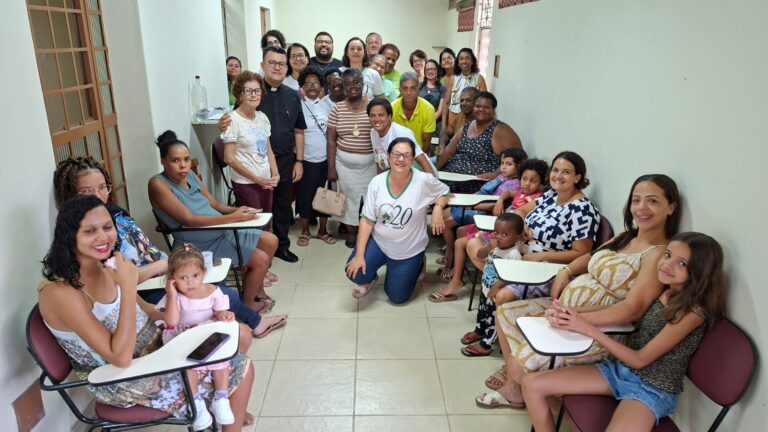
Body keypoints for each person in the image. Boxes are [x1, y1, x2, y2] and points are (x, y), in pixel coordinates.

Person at [39, 196, 254, 430]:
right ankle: (227, 406)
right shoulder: (60, 292)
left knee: (236, 335)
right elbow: (120, 358)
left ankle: (227, 407)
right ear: (70, 235)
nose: (103, 237)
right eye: (90, 231)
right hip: (121, 376)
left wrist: (183, 314)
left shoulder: (104, 267)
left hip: (157, 348)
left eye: (107, 227)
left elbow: (147, 310)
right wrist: (128, 286)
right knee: (241, 368)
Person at [478, 174, 681, 408]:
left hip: (597, 328)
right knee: (504, 313)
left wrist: (576, 318)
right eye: (636, 200)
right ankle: (518, 383)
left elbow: (632, 310)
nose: (641, 207)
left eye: (652, 201)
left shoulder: (659, 254)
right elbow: (589, 257)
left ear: (671, 207)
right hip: (566, 311)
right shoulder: (626, 237)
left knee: (519, 359)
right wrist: (566, 271)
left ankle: (518, 384)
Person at [52, 157, 285, 338]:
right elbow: (118, 280)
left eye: (103, 187)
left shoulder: (115, 213)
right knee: (221, 292)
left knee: (213, 281)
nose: (98, 195)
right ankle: (253, 324)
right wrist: (162, 265)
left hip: (165, 268)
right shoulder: (87, 241)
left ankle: (230, 326)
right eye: (87, 191)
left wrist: (171, 262)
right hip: (147, 285)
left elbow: (144, 247)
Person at [520, 232, 725, 431]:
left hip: (651, 389)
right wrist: (572, 312)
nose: (667, 265)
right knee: (532, 384)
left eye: (682, 263)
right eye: (667, 255)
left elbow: (640, 359)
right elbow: (620, 308)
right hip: (620, 371)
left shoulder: (693, 313)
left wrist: (588, 328)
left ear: (700, 272)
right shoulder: (665, 289)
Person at [149, 131, 278, 314]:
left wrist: (240, 210)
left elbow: (215, 205)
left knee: (271, 240)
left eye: (186, 159)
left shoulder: (190, 175)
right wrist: (234, 218)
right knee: (261, 259)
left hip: (221, 229)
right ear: (163, 161)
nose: (183, 165)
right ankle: (248, 304)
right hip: (197, 242)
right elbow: (189, 220)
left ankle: (257, 289)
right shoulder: (158, 184)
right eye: (175, 160)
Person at [345, 137, 450, 303]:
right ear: (388, 156)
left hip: (409, 249)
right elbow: (366, 221)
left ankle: (418, 263)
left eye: (407, 155)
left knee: (397, 297)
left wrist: (438, 207)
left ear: (413, 159)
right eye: (397, 154)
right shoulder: (377, 182)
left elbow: (445, 191)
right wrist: (359, 255)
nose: (401, 159)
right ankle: (370, 278)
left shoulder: (423, 180)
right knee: (354, 272)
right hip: (380, 242)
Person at [157, 244, 240, 429]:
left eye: (195, 275)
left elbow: (219, 312)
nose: (190, 282)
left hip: (207, 336)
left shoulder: (212, 291)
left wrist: (224, 315)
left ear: (204, 273)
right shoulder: (175, 297)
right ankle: (196, 402)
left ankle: (221, 398)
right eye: (183, 278)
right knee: (188, 366)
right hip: (183, 337)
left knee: (221, 361)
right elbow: (171, 321)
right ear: (172, 279)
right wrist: (171, 294)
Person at [432, 158, 548, 289]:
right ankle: (457, 268)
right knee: (461, 230)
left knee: (459, 242)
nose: (527, 183)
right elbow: (508, 193)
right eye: (524, 179)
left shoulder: (537, 199)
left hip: (506, 236)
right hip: (499, 228)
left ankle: (457, 279)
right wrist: (500, 200)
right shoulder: (520, 192)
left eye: (533, 181)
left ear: (541, 183)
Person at [256, 46, 307, 263]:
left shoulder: (292, 96)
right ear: (263, 65)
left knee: (283, 204)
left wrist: (299, 161)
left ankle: (282, 246)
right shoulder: (253, 92)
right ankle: (260, 250)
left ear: (287, 68)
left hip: (286, 158)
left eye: (282, 64)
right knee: (259, 206)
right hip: (257, 161)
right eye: (272, 63)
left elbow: (299, 130)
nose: (277, 67)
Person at [460, 213, 529, 357]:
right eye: (496, 232)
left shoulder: (513, 254)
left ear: (517, 237)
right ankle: (479, 331)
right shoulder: (494, 246)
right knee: (482, 313)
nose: (498, 237)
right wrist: (488, 247)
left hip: (495, 293)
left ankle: (486, 344)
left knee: (492, 320)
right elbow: (479, 255)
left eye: (504, 234)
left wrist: (497, 286)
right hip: (485, 287)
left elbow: (513, 275)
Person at [327, 68, 375, 248]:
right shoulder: (337, 109)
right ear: (343, 87)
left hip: (370, 165)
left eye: (356, 82)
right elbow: (331, 140)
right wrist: (331, 168)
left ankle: (368, 232)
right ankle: (351, 234)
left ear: (363, 84)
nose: (352, 87)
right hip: (344, 165)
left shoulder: (373, 106)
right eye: (347, 84)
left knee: (370, 200)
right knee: (348, 200)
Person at [437, 91, 522, 193]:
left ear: (493, 110)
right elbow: (449, 151)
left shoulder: (500, 130)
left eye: (486, 107)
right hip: (449, 177)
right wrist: (433, 171)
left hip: (475, 184)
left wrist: (495, 174)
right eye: (478, 106)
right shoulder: (467, 126)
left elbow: (518, 157)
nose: (481, 109)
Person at [221, 71, 279, 216]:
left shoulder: (262, 117)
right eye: (248, 91)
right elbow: (229, 158)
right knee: (253, 223)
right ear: (240, 95)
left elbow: (268, 149)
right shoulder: (232, 120)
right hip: (246, 183)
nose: (253, 95)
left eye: (257, 91)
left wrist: (275, 173)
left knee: (266, 220)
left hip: (266, 181)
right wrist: (256, 179)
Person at [295, 66, 336, 247]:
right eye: (308, 84)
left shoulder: (327, 104)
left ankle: (322, 231)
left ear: (321, 86)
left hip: (325, 159)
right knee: (304, 196)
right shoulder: (298, 105)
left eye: (316, 84)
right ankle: (305, 230)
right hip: (305, 159)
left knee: (324, 195)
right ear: (302, 87)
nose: (312, 87)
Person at [367, 98, 435, 175]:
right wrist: (378, 181)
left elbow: (422, 159)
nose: (376, 119)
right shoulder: (373, 133)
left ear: (389, 117)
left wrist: (432, 181)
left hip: (418, 174)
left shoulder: (401, 133)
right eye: (372, 115)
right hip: (397, 175)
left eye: (381, 115)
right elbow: (380, 163)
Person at [392, 71, 436, 153]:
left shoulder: (428, 109)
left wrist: (420, 160)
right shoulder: (392, 107)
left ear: (418, 89)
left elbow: (426, 142)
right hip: (396, 153)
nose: (408, 93)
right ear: (400, 89)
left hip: (419, 154)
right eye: (405, 88)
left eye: (412, 88)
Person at [445, 48, 488, 129]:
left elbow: (484, 103)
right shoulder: (453, 78)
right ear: (458, 63)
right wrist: (443, 127)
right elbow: (446, 103)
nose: (464, 61)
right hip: (453, 121)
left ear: (472, 62)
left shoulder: (479, 79)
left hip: (472, 121)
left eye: (467, 58)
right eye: (461, 59)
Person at [436, 86, 477, 158]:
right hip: (452, 158)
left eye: (468, 100)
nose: (463, 103)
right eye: (462, 100)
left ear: (476, 102)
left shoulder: (480, 121)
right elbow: (446, 134)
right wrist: (441, 147)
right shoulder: (460, 115)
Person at [419, 59, 446, 135]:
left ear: (437, 70)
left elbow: (440, 111)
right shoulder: (418, 86)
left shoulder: (443, 89)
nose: (430, 71)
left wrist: (427, 123)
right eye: (428, 69)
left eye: (433, 69)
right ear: (424, 71)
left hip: (435, 125)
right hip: (418, 123)